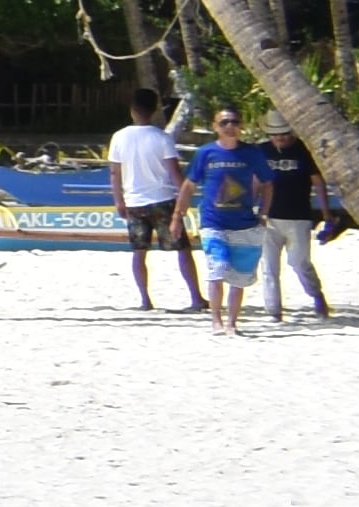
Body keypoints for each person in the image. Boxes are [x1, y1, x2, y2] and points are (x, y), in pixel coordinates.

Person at [185, 113, 278, 334]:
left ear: (241, 126)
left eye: (234, 122)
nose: (230, 126)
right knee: (217, 270)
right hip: (212, 223)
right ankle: (216, 320)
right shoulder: (205, 153)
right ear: (215, 126)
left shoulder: (252, 153)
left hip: (244, 223)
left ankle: (231, 323)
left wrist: (264, 214)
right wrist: (177, 215)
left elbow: (268, 184)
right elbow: (189, 185)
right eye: (224, 122)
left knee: (239, 276)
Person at [110, 95, 201, 311]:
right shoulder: (162, 138)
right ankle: (196, 298)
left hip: (134, 202)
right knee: (182, 250)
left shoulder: (119, 137)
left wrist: (118, 201)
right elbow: (174, 172)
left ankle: (145, 300)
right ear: (154, 111)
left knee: (139, 252)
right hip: (163, 200)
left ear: (132, 110)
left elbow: (114, 173)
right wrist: (185, 196)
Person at [260, 128, 331, 320]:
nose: (279, 138)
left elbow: (318, 183)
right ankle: (274, 311)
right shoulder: (261, 151)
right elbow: (252, 181)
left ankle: (317, 295)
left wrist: (326, 215)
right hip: (268, 218)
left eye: (283, 133)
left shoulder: (304, 150)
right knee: (269, 267)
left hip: (298, 217)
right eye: (275, 134)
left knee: (300, 262)